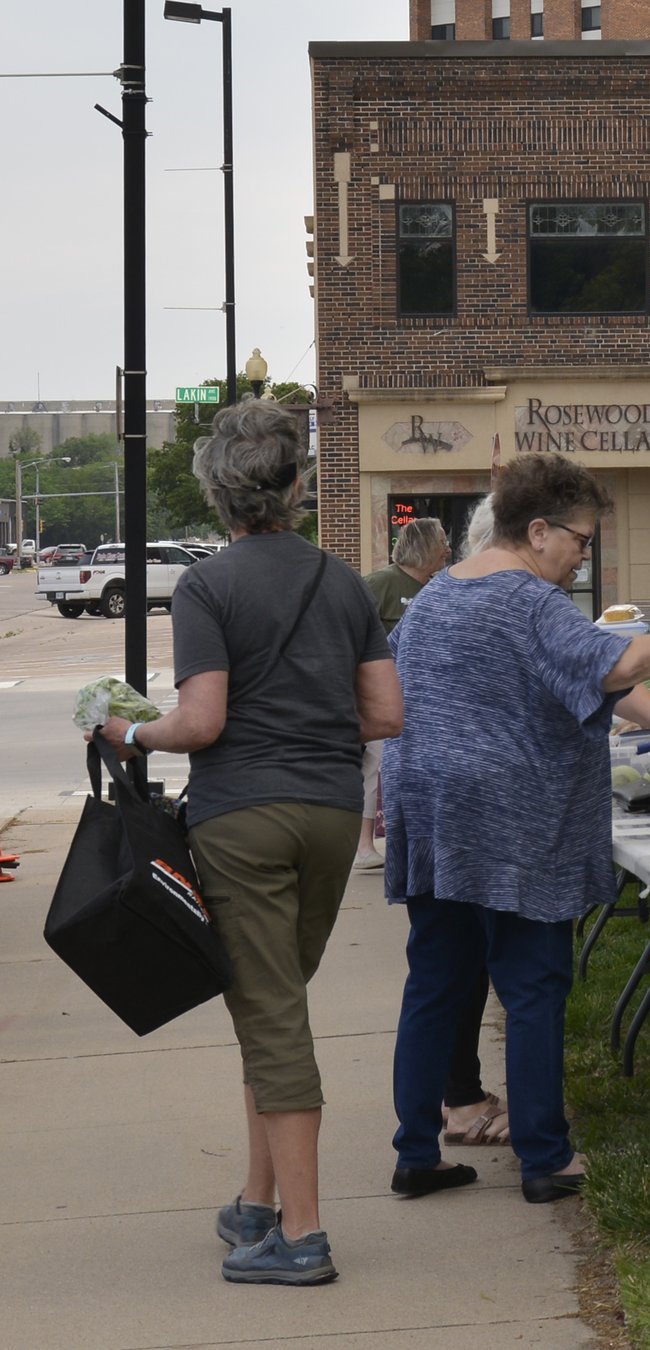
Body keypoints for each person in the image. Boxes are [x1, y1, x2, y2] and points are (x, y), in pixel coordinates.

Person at [382, 453, 650, 1204]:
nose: (584, 554)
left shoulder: (437, 595)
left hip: (431, 807)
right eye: (580, 540)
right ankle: (545, 1157)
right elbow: (615, 661)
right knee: (534, 982)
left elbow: (569, 677)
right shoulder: (530, 600)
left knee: (436, 982)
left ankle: (416, 1152)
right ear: (538, 529)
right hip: (512, 817)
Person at [93, 398, 400, 1286]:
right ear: (296, 484)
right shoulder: (343, 581)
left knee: (271, 1017)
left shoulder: (207, 586)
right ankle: (257, 1202)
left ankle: (301, 1236)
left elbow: (202, 720)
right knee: (272, 1002)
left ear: (219, 497)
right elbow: (385, 713)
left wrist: (129, 733)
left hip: (243, 819)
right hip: (332, 813)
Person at [357, 519, 451, 870]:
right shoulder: (380, 584)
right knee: (377, 766)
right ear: (425, 545)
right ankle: (365, 846)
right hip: (384, 695)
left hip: (429, 698)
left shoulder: (441, 586)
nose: (448, 548)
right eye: (441, 541)